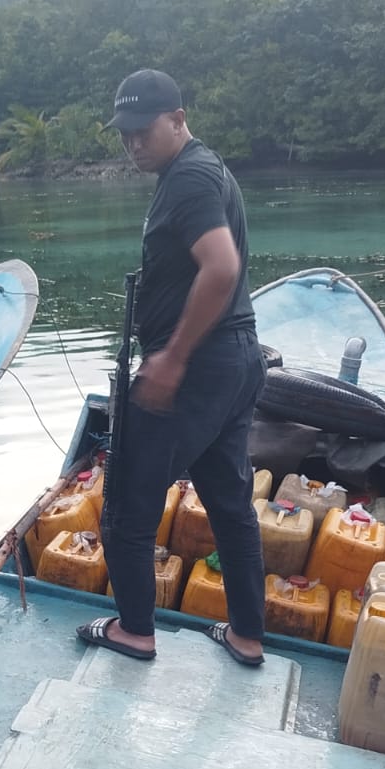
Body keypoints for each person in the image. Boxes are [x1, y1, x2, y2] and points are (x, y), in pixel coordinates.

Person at [77, 69, 268, 667]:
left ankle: (135, 630)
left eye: (144, 130)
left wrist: (171, 358)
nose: (134, 143)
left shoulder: (188, 179)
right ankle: (246, 635)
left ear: (178, 119)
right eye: (125, 133)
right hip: (236, 360)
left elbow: (221, 268)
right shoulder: (204, 170)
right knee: (230, 505)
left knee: (128, 507)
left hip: (197, 368)